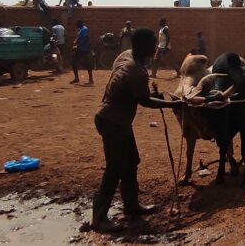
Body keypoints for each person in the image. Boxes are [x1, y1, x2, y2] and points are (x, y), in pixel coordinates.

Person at [90, 28, 202, 233]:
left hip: (116, 120)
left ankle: (131, 206)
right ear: (142, 46)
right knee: (114, 168)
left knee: (131, 161)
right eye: (152, 44)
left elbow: (138, 94)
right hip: (113, 122)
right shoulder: (136, 71)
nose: (155, 48)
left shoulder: (125, 56)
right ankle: (99, 218)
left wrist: (152, 94)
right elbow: (145, 101)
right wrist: (174, 104)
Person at [70, 20, 94, 85]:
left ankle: (91, 79)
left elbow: (85, 39)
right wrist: (75, 43)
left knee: (88, 64)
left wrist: (77, 45)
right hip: (80, 49)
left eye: (77, 24)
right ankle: (77, 78)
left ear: (80, 23)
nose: (76, 26)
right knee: (74, 63)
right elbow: (78, 38)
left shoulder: (85, 29)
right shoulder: (80, 30)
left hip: (85, 49)